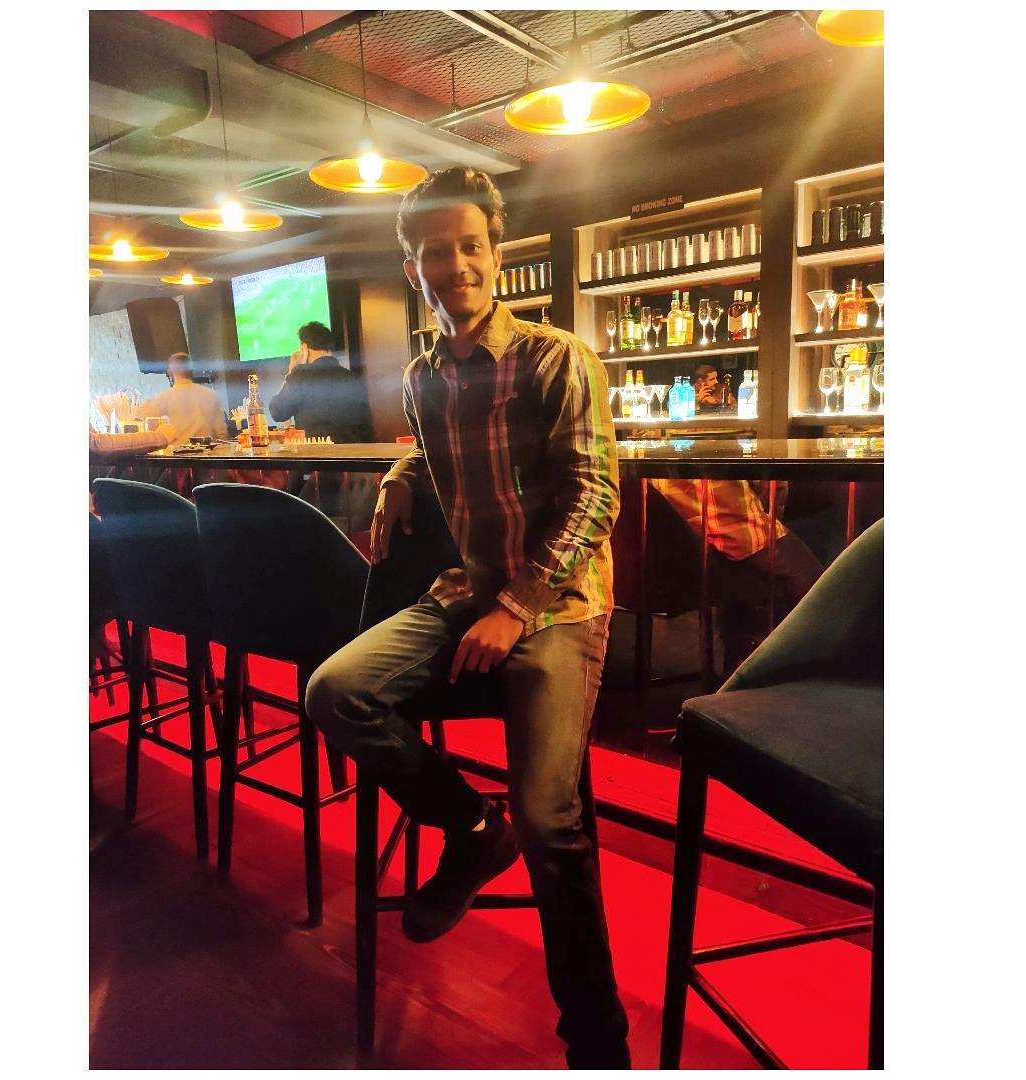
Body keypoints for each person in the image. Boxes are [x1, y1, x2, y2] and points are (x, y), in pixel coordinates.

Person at [304, 167, 629, 1068]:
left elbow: (596, 494)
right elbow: (432, 443)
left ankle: (597, 1041)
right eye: (435, 252)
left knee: (548, 816)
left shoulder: (558, 357)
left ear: (497, 252)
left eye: (471, 246)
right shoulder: (422, 376)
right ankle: (472, 828)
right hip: (466, 590)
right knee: (333, 691)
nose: (457, 265)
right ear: (414, 268)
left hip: (558, 605)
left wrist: (519, 606)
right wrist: (400, 476)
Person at [649, 478, 824, 676]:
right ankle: (812, 674)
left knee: (745, 580)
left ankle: (741, 666)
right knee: (819, 585)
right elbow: (768, 482)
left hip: (661, 556)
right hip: (732, 533)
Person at [268, 321, 372, 443]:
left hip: (315, 452)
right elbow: (366, 428)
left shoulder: (300, 377)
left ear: (304, 348)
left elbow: (277, 412)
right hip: (352, 452)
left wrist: (291, 372)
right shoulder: (353, 378)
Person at [137, 352, 226, 444]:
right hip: (207, 451)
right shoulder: (210, 395)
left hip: (177, 452)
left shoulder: (165, 397)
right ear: (192, 371)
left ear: (170, 373)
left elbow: (139, 416)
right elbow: (221, 433)